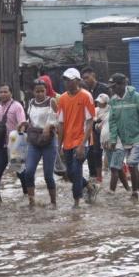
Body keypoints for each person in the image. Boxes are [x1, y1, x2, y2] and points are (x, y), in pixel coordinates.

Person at [107, 73, 139, 198]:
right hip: (125, 138)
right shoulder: (113, 101)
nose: (112, 89)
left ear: (123, 84)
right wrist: (113, 138)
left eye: (114, 86)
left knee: (131, 163)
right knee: (134, 166)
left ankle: (134, 193)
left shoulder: (136, 97)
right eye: (111, 87)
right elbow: (112, 122)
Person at [58, 68, 98, 207]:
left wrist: (82, 144)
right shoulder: (62, 98)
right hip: (68, 141)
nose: (67, 82)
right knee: (69, 173)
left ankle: (77, 203)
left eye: (70, 80)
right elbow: (61, 124)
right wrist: (59, 146)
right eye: (65, 80)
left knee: (76, 170)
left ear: (78, 81)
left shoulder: (86, 96)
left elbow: (89, 122)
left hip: (82, 141)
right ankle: (89, 187)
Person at [22, 79, 59, 207]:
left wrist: (49, 126)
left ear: (46, 90)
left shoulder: (51, 101)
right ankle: (32, 202)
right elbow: (30, 119)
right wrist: (24, 124)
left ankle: (53, 202)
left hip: (49, 141)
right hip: (34, 141)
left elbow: (58, 119)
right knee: (29, 171)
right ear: (33, 92)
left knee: (48, 175)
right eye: (37, 91)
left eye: (42, 91)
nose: (39, 94)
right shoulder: (31, 102)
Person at [0, 84, 25, 200]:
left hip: (15, 144)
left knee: (20, 172)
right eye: (1, 92)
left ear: (11, 93)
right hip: (1, 145)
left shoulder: (17, 107)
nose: (3, 94)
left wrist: (19, 144)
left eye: (5, 92)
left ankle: (27, 194)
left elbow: (22, 125)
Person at [82, 68, 110, 182]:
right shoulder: (85, 90)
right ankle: (94, 176)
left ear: (93, 75)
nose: (85, 80)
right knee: (92, 151)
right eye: (83, 78)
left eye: (87, 77)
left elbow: (110, 107)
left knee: (107, 149)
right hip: (90, 125)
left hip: (104, 124)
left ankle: (115, 171)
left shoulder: (103, 88)